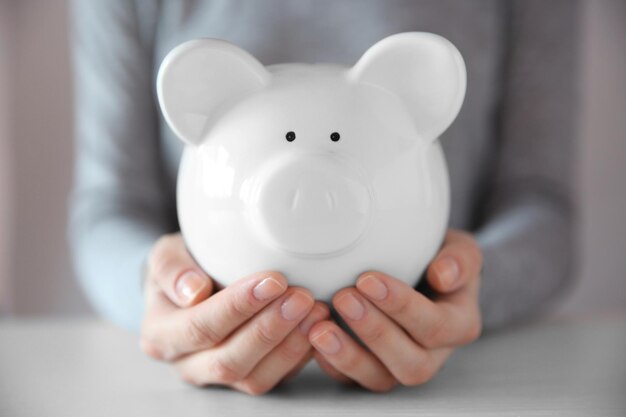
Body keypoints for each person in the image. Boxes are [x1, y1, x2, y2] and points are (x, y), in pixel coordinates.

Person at [69, 0, 578, 394]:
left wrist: (468, 287)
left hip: (450, 377)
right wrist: (158, 291)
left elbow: (540, 203)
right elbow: (110, 206)